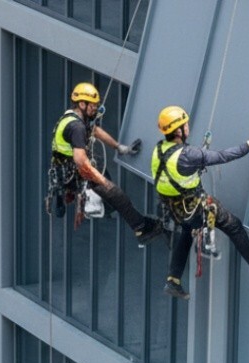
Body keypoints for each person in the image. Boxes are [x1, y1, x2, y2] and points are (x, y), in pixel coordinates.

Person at [151, 105, 249, 300]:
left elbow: (176, 171)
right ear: (178, 130)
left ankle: (173, 279)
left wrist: (198, 158)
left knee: (187, 231)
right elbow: (223, 156)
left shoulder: (159, 150)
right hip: (194, 207)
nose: (188, 127)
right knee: (233, 225)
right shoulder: (188, 155)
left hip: (174, 208)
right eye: (185, 125)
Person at [47, 82, 163, 243]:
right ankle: (141, 229)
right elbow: (81, 161)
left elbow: (95, 130)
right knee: (118, 195)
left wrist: (119, 147)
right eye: (93, 106)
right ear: (82, 104)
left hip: (66, 171)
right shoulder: (76, 127)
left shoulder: (73, 117)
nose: (95, 109)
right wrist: (104, 183)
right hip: (74, 174)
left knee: (110, 191)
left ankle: (108, 205)